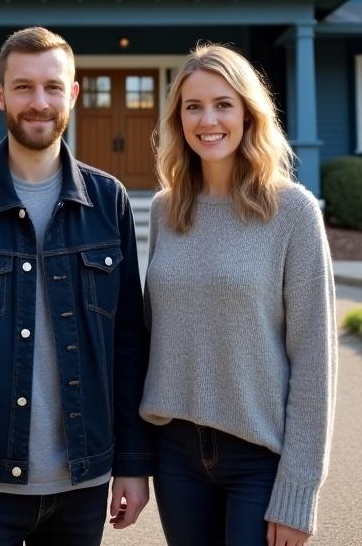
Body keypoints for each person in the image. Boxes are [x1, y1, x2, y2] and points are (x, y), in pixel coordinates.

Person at [0, 26, 151, 546]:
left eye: (53, 87)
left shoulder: (110, 202)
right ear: (0, 94)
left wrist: (133, 462)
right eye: (23, 87)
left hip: (83, 483)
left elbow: (128, 342)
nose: (39, 102)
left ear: (73, 94)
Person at [140, 43, 337, 546]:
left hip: (258, 457)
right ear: (178, 118)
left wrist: (298, 492)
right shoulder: (167, 211)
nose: (208, 119)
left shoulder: (293, 212)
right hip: (175, 453)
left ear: (249, 113)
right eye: (193, 106)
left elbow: (315, 362)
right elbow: (149, 340)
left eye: (223, 104)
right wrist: (135, 459)